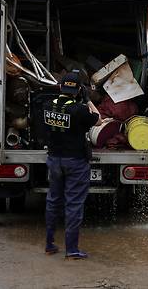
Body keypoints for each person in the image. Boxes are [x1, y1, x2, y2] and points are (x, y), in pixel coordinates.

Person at [42, 71, 102, 259]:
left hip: (54, 160)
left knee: (53, 201)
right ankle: (72, 249)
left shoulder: (46, 105)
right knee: (74, 204)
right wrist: (87, 100)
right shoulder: (80, 110)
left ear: (60, 87)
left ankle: (50, 244)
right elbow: (98, 119)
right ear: (78, 91)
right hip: (75, 162)